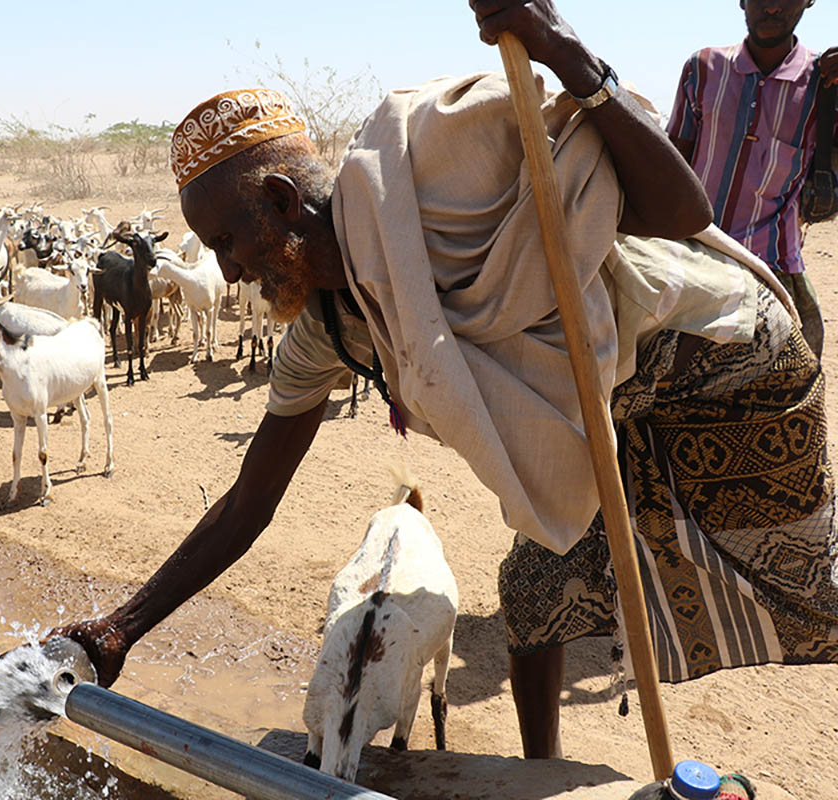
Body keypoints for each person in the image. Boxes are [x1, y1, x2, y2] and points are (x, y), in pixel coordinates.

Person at [52, 0, 838, 762]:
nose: (225, 271)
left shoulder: (430, 170)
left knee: (807, 586)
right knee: (537, 588)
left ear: (285, 203)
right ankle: (541, 777)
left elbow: (683, 205)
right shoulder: (322, 330)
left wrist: (564, 51)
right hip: (603, 412)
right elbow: (248, 503)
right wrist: (120, 629)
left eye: (226, 239)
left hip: (724, 367)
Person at [666, 0, 837, 356]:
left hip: (775, 274)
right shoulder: (703, 69)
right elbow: (670, 169)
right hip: (693, 262)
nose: (772, 7)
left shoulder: (826, 85)